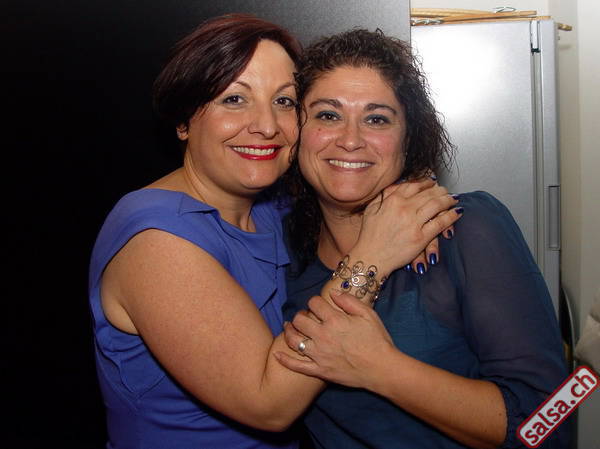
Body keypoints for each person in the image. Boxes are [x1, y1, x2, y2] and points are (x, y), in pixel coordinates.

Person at [88, 15, 461, 449]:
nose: (267, 125)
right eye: (234, 99)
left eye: (284, 101)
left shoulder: (272, 208)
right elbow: (269, 404)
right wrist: (375, 255)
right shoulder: (156, 242)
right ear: (184, 121)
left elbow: (349, 181)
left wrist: (409, 195)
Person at [278, 29, 570, 449]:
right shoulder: (280, 252)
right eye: (327, 115)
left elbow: (549, 423)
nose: (351, 139)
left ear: (407, 139)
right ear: (295, 131)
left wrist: (381, 368)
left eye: (377, 119)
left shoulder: (465, 228)